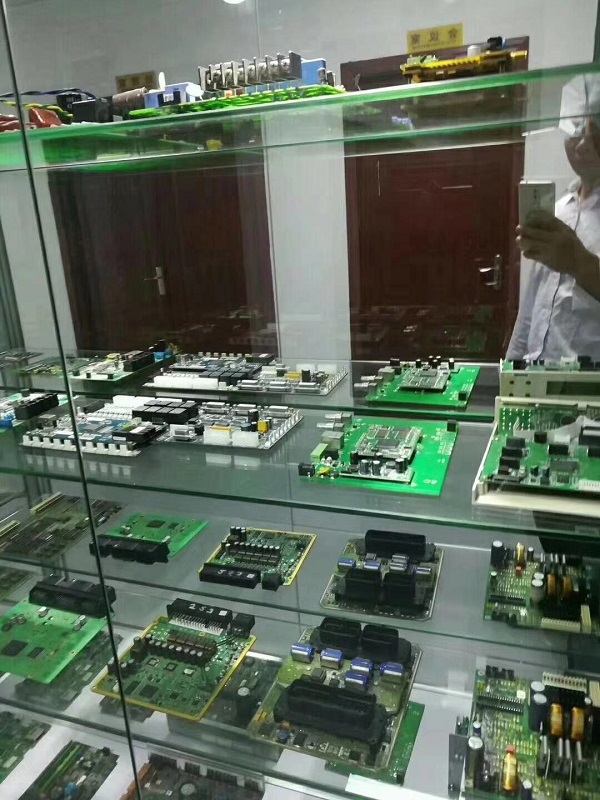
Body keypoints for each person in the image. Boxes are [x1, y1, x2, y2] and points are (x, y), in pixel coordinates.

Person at [507, 75, 600, 362]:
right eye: (575, 132)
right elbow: (533, 303)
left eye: (594, 132)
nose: (582, 145)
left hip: (586, 382)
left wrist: (578, 261)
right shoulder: (559, 210)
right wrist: (512, 363)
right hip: (535, 373)